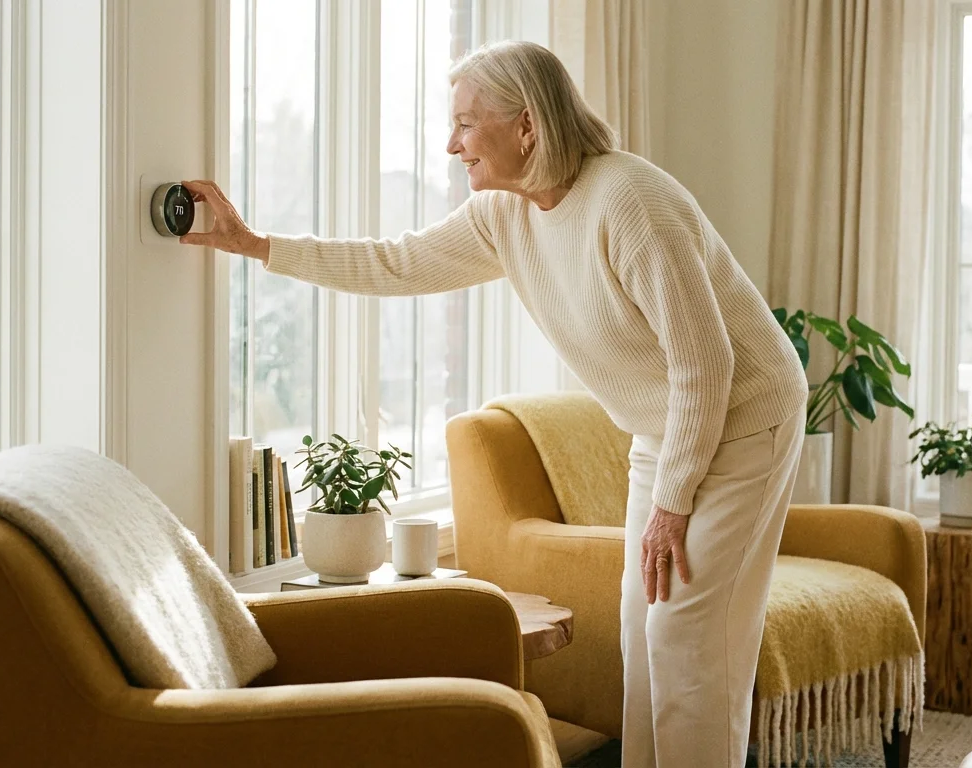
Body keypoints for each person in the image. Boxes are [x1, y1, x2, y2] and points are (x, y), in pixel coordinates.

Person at [181, 39, 807, 768]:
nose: (452, 146)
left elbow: (707, 363)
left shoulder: (632, 201)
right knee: (643, 635)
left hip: (741, 420)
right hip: (663, 430)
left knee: (691, 647)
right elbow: (395, 263)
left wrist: (672, 503)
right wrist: (256, 244)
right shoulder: (504, 216)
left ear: (527, 127)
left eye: (466, 125)